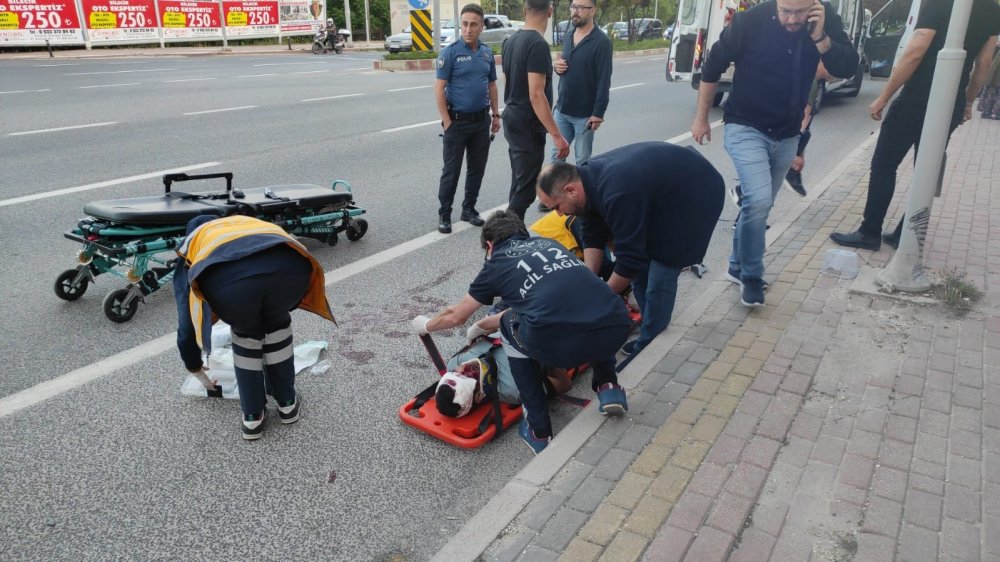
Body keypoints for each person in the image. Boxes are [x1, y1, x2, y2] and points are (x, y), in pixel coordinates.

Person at [410, 210, 631, 454]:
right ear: (522, 232)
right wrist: (484, 325)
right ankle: (609, 387)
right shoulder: (549, 244)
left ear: (490, 245)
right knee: (586, 305)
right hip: (616, 323)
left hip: (562, 346)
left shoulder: (497, 263)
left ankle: (539, 429)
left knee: (509, 327)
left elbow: (456, 315)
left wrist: (427, 325)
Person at [691, 0, 858, 307]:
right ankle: (752, 276)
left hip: (788, 132)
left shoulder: (825, 20)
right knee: (759, 199)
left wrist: (821, 38)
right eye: (786, 11)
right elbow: (712, 65)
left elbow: (847, 67)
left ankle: (736, 265)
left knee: (758, 205)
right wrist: (701, 117)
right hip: (746, 126)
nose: (793, 19)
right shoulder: (749, 22)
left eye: (800, 12)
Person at [830, 0, 1000, 251]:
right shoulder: (993, 10)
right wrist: (967, 102)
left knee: (884, 163)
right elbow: (984, 63)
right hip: (951, 100)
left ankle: (869, 232)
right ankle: (904, 234)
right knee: (927, 168)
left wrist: (884, 96)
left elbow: (916, 51)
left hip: (916, 97)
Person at [536, 142, 724, 356]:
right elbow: (592, 236)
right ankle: (649, 320)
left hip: (696, 194)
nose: (559, 214)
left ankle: (651, 344)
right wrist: (587, 283)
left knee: (660, 276)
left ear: (570, 190)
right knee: (638, 276)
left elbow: (630, 259)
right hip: (665, 194)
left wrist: (600, 298)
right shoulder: (585, 183)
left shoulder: (618, 190)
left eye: (557, 207)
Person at [173, 215, 335, 440]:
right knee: (276, 326)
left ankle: (253, 417)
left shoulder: (193, 247)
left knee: (247, 336)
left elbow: (187, 323)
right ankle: (287, 404)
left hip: (235, 288)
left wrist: (196, 369)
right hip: (292, 272)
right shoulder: (243, 223)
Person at [434, 4, 502, 234]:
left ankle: (468, 209)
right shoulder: (450, 52)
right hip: (457, 122)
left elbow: (491, 85)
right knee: (451, 171)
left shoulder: (485, 53)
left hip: (481, 121)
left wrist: (496, 114)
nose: (468, 29)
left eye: (473, 24)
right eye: (464, 24)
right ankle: (445, 213)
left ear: (481, 26)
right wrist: (447, 121)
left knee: (477, 169)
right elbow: (439, 89)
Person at [501, 0, 570, 220]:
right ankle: (504, 237)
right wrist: (557, 136)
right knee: (527, 188)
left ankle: (515, 232)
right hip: (527, 124)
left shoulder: (510, 41)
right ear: (550, 11)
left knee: (519, 181)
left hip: (512, 117)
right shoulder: (537, 44)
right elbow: (536, 95)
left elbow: (508, 80)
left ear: (524, 10)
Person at [979, 46, 1000, 119]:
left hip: (994, 73)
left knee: (991, 91)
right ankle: (994, 113)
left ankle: (987, 111)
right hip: (995, 72)